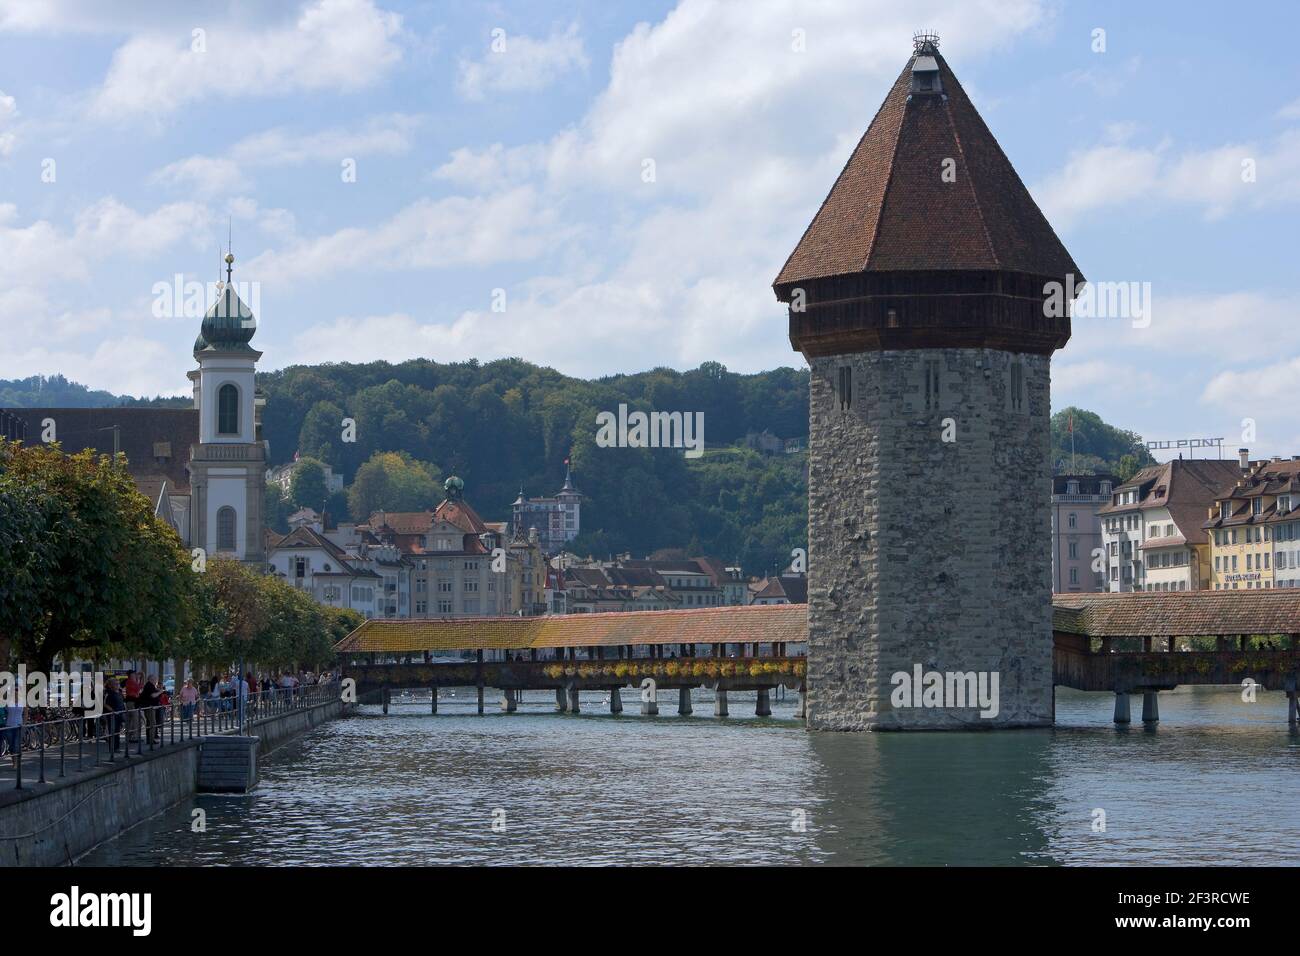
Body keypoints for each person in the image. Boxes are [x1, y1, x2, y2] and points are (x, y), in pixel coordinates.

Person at [102, 678, 126, 752]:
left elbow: (122, 701)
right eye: (116, 684)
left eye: (118, 683)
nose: (118, 685)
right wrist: (113, 711)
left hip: (119, 713)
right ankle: (112, 748)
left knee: (117, 731)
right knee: (113, 731)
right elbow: (105, 704)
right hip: (113, 715)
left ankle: (117, 747)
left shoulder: (119, 692)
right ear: (111, 685)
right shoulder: (109, 693)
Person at [123, 670, 142, 742]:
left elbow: (138, 688)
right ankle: (133, 737)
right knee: (134, 720)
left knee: (131, 720)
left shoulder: (132, 681)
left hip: (133, 702)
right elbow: (138, 688)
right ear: (131, 675)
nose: (135, 674)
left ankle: (130, 736)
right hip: (131, 702)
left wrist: (139, 679)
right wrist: (139, 679)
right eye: (134, 673)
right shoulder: (130, 681)